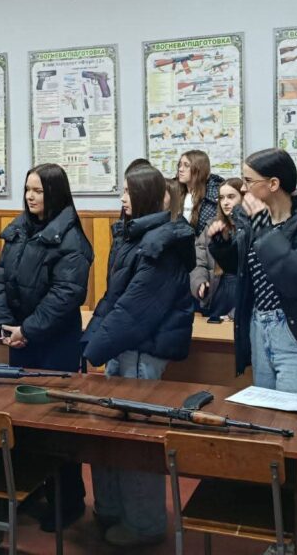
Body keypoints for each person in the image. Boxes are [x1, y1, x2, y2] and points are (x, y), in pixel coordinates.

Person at [208, 148, 297, 548]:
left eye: (248, 182)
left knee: (292, 441)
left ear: (272, 184)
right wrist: (222, 246)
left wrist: (261, 229)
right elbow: (248, 269)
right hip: (261, 331)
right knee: (271, 439)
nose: (242, 190)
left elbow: (296, 276)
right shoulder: (258, 222)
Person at [83, 164, 196, 548]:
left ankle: (144, 523)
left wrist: (94, 348)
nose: (122, 199)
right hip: (124, 348)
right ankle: (113, 508)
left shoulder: (160, 245)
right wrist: (88, 342)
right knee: (111, 433)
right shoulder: (133, 235)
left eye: (128, 192)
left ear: (146, 196)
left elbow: (135, 311)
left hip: (141, 351)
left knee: (137, 441)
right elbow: (112, 299)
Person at [0, 163, 93, 531]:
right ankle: (33, 490)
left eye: (38, 191)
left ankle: (69, 500)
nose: (30, 196)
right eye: (27, 189)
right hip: (20, 337)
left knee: (56, 424)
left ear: (55, 194)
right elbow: (0, 279)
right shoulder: (19, 229)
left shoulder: (71, 238)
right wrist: (5, 323)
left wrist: (28, 330)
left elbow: (66, 295)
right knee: (22, 420)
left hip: (54, 343)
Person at [189, 176, 242, 318]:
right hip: (216, 291)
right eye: (221, 198)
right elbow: (198, 261)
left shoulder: (250, 228)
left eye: (231, 197)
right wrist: (199, 282)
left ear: (243, 197)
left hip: (241, 292)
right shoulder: (211, 226)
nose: (225, 202)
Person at [177, 149, 223, 235]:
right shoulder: (175, 192)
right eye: (180, 165)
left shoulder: (213, 196)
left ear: (199, 169)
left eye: (186, 165)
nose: (180, 169)